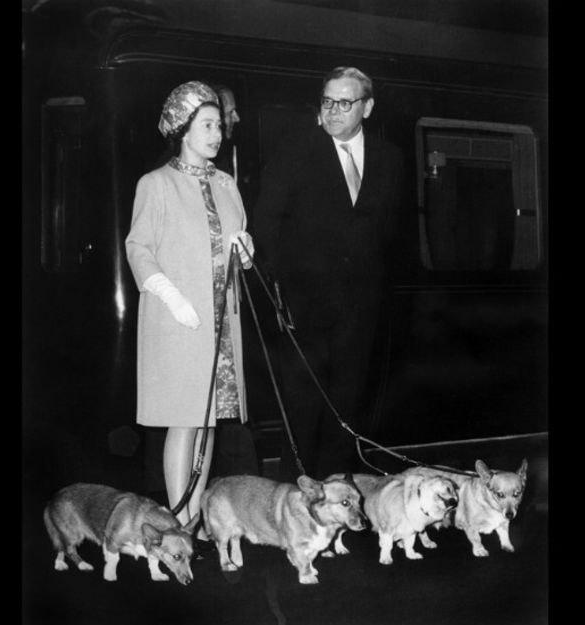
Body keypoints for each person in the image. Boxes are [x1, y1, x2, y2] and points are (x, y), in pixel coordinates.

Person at [251, 66, 404, 483]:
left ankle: (339, 494)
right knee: (302, 410)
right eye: (327, 101)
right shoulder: (295, 153)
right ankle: (294, 500)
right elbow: (265, 227)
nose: (334, 110)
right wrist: (280, 296)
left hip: (361, 311)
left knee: (347, 407)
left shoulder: (390, 160)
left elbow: (389, 236)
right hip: (304, 310)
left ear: (367, 107)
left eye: (345, 102)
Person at [126, 81, 255, 524]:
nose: (217, 133)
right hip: (180, 320)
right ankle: (179, 522)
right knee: (184, 420)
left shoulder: (227, 184)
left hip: (220, 323)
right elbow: (138, 247)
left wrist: (244, 254)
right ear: (183, 129)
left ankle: (194, 520)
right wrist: (168, 293)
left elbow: (232, 253)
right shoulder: (156, 184)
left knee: (209, 422)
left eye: (219, 124)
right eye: (207, 125)